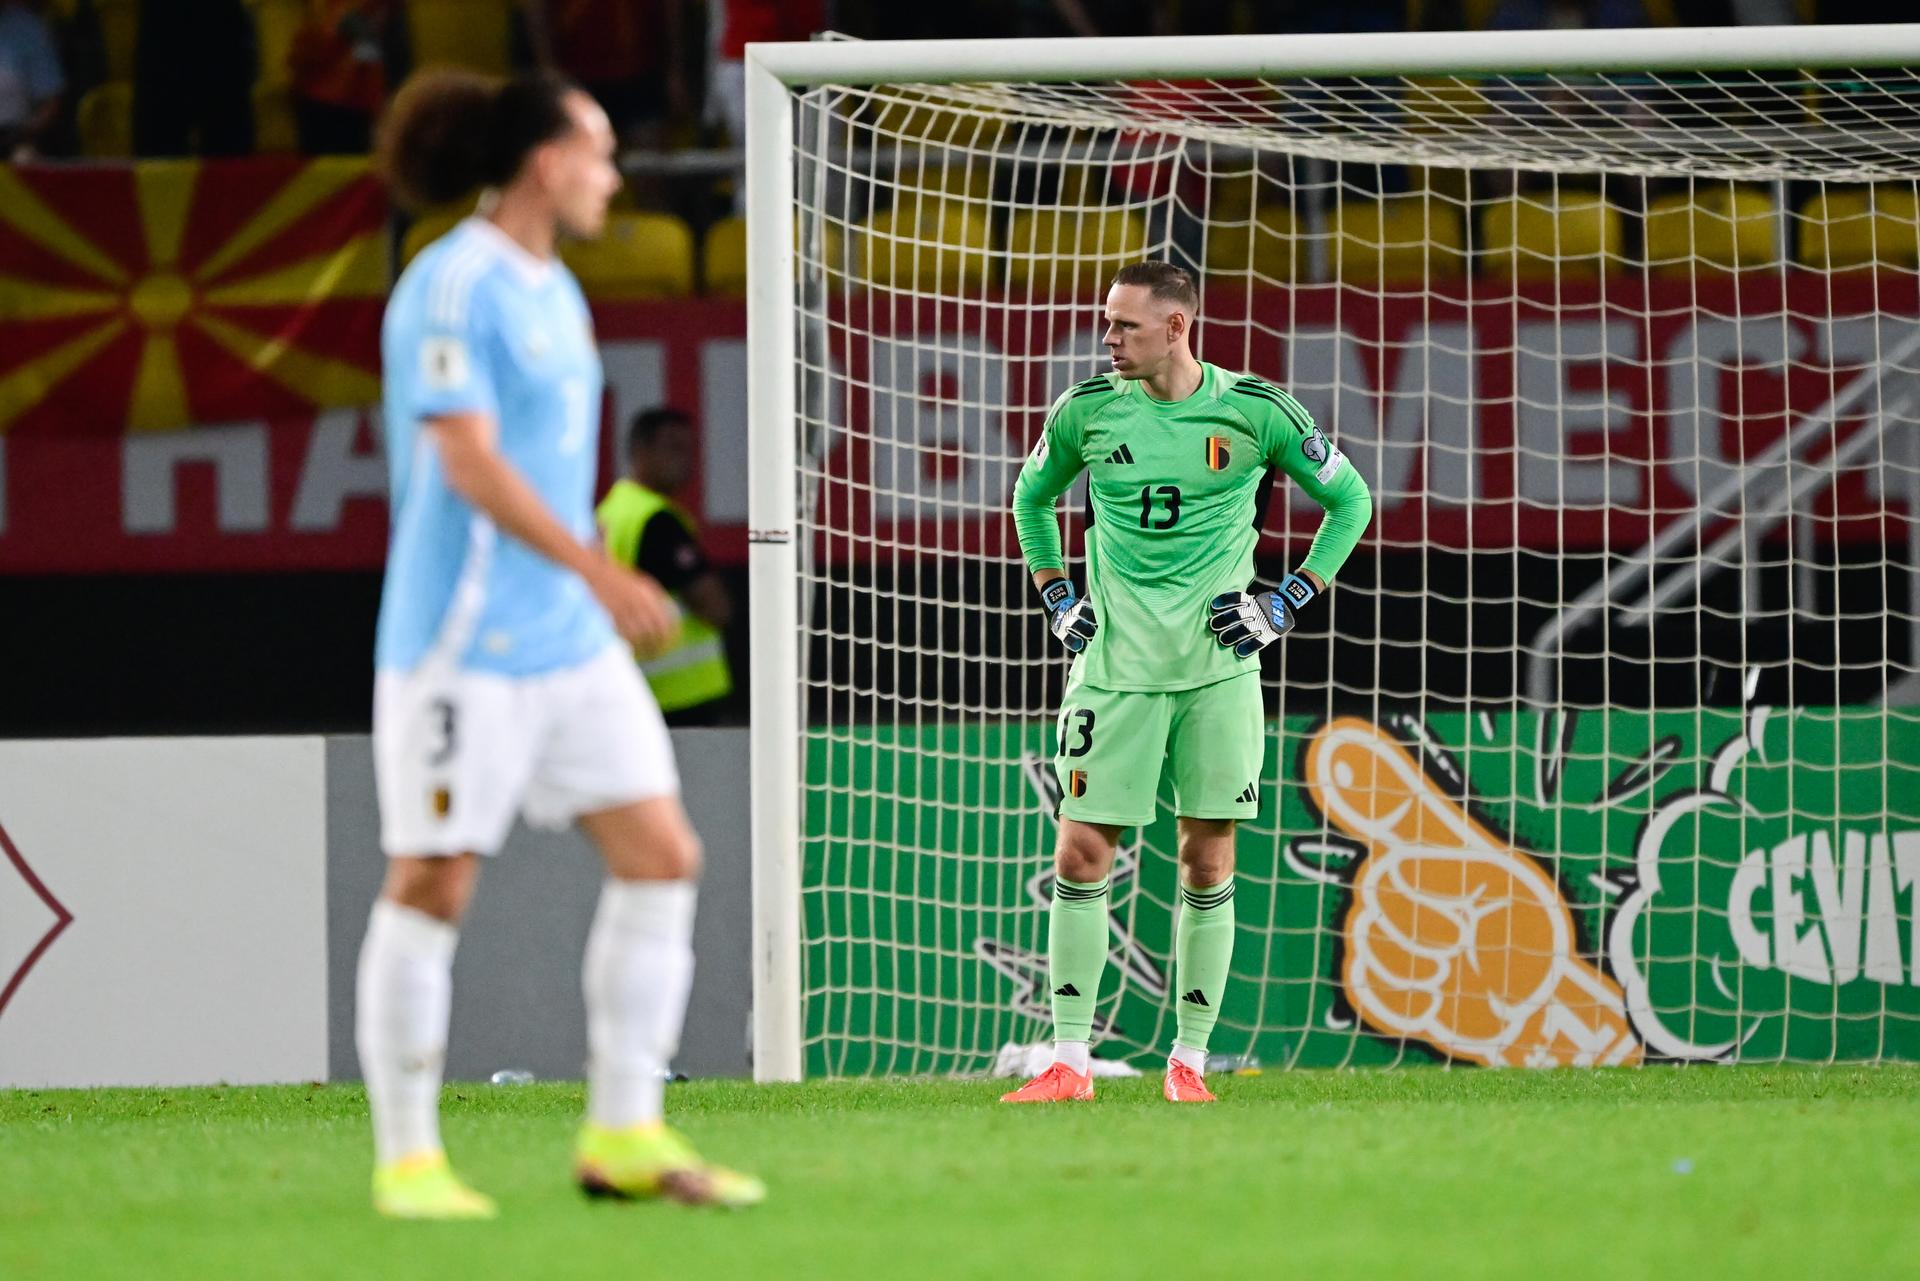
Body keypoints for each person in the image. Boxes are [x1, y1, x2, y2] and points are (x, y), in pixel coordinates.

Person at [360, 66, 763, 1220]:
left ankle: (625, 1132)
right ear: (545, 160)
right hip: (460, 644)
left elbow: (548, 469)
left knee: (663, 855)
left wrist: (586, 586)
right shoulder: (451, 285)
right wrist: (600, 568)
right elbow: (469, 463)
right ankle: (408, 1161)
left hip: (563, 644)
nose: (615, 173)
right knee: (433, 882)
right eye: (598, 149)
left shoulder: (556, 289)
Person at [1001, 261, 1371, 1105]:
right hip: (1115, 670)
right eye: (1107, 322)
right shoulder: (1087, 413)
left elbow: (1350, 502)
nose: (1108, 338)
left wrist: (1288, 600)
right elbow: (1030, 501)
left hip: (1218, 669)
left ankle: (1189, 1062)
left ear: (1176, 327)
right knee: (1081, 850)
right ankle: (1068, 1061)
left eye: (1125, 325)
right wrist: (1059, 595)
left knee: (1206, 860)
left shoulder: (1257, 412)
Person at [597, 407, 735, 726]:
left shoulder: (613, 510)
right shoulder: (656, 520)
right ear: (640, 451)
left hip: (632, 687)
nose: (685, 460)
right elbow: (714, 606)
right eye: (673, 448)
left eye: (689, 449)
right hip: (681, 694)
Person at [0, 0, 63, 159]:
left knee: (25, 158)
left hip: (15, 138)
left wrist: (23, 132)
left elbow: (51, 102)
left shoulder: (28, 28)